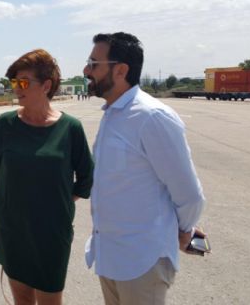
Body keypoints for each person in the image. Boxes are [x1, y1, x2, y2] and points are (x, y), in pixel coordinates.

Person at [82, 32, 206, 305]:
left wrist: (185, 231)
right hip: (110, 256)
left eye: (94, 63)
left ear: (121, 70)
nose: (86, 70)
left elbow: (189, 193)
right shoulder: (113, 114)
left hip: (142, 261)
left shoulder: (151, 117)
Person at [0, 49, 94, 305]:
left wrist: (58, 203)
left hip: (51, 233)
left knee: (50, 299)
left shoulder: (71, 128)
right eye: (14, 82)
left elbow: (87, 178)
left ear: (46, 85)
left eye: (23, 82)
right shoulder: (5, 124)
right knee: (22, 299)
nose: (16, 88)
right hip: (12, 229)